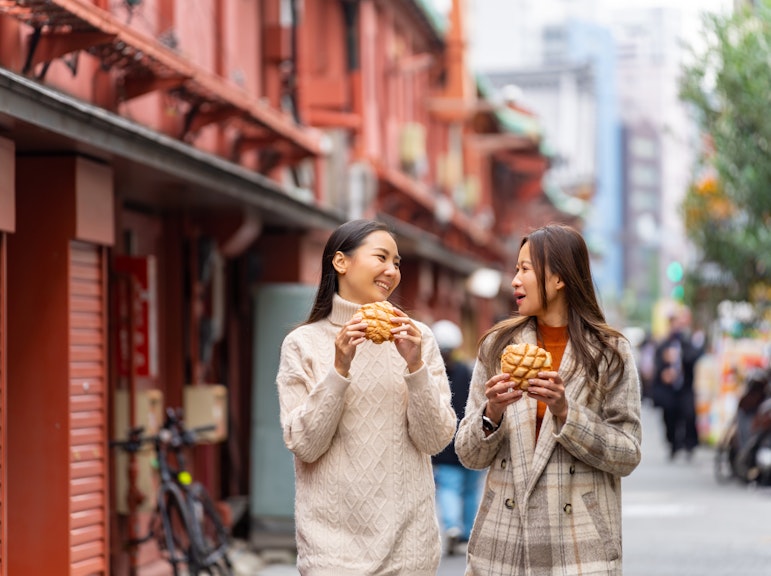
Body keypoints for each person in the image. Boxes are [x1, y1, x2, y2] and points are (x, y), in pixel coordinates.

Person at [455, 223, 642, 576]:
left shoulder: (609, 352)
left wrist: (566, 411)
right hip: (504, 543)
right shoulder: (497, 347)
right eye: (516, 269)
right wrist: (491, 411)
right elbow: (469, 454)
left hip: (580, 545)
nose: (514, 280)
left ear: (559, 278)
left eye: (525, 269)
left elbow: (628, 453)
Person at [276, 218, 456, 575]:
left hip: (410, 551)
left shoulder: (418, 338)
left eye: (397, 262)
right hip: (332, 554)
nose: (392, 271)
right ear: (341, 262)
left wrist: (415, 366)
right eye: (381, 258)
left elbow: (435, 439)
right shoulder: (302, 344)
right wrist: (339, 368)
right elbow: (305, 444)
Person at [431, 319, 483, 556]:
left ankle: (452, 525)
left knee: (449, 489)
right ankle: (464, 532)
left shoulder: (432, 375)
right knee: (470, 491)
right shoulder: (469, 372)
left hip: (446, 448)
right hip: (472, 443)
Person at [652, 308, 704, 460]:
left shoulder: (686, 343)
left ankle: (689, 444)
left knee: (688, 415)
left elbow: (694, 357)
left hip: (685, 387)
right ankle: (673, 444)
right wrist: (664, 372)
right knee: (670, 417)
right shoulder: (663, 344)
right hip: (669, 390)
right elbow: (657, 365)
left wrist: (679, 356)